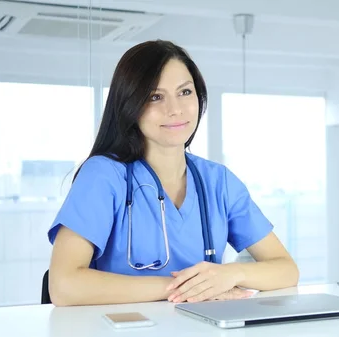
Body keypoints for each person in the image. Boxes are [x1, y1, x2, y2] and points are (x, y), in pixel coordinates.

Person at [47, 39, 299, 306]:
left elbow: (286, 270)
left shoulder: (218, 181)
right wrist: (186, 288)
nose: (175, 109)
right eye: (155, 97)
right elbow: (64, 286)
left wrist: (229, 274)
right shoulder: (103, 175)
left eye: (185, 92)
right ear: (130, 105)